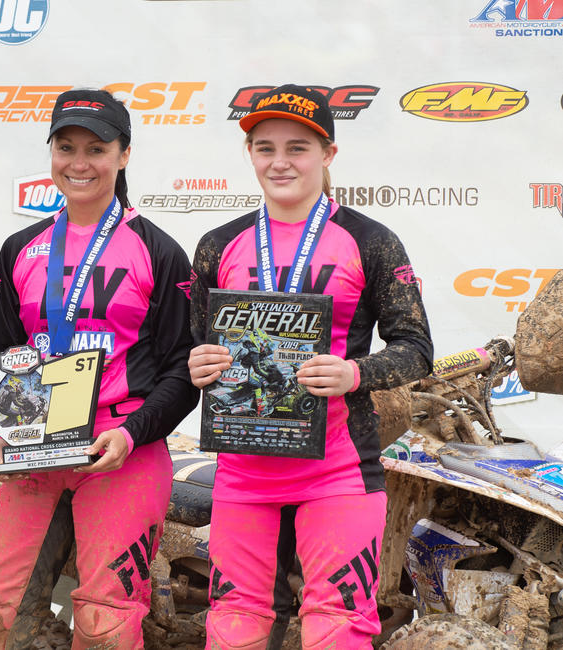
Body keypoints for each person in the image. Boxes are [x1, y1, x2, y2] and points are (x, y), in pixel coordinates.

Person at [187, 84, 433, 649]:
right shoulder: (218, 245)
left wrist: (354, 374)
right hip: (243, 472)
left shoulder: (370, 240)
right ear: (250, 154)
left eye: (297, 148)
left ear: (328, 154)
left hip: (338, 469)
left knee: (337, 628)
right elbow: (194, 347)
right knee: (233, 628)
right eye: (265, 148)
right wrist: (197, 363)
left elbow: (416, 348)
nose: (280, 162)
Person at [0, 89, 198, 649]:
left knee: (104, 624)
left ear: (124, 155)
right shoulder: (22, 247)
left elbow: (183, 372)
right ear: (52, 154)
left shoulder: (159, 251)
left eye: (96, 148)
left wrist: (132, 433)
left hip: (121, 446)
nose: (79, 162)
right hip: (34, 444)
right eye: (66, 147)